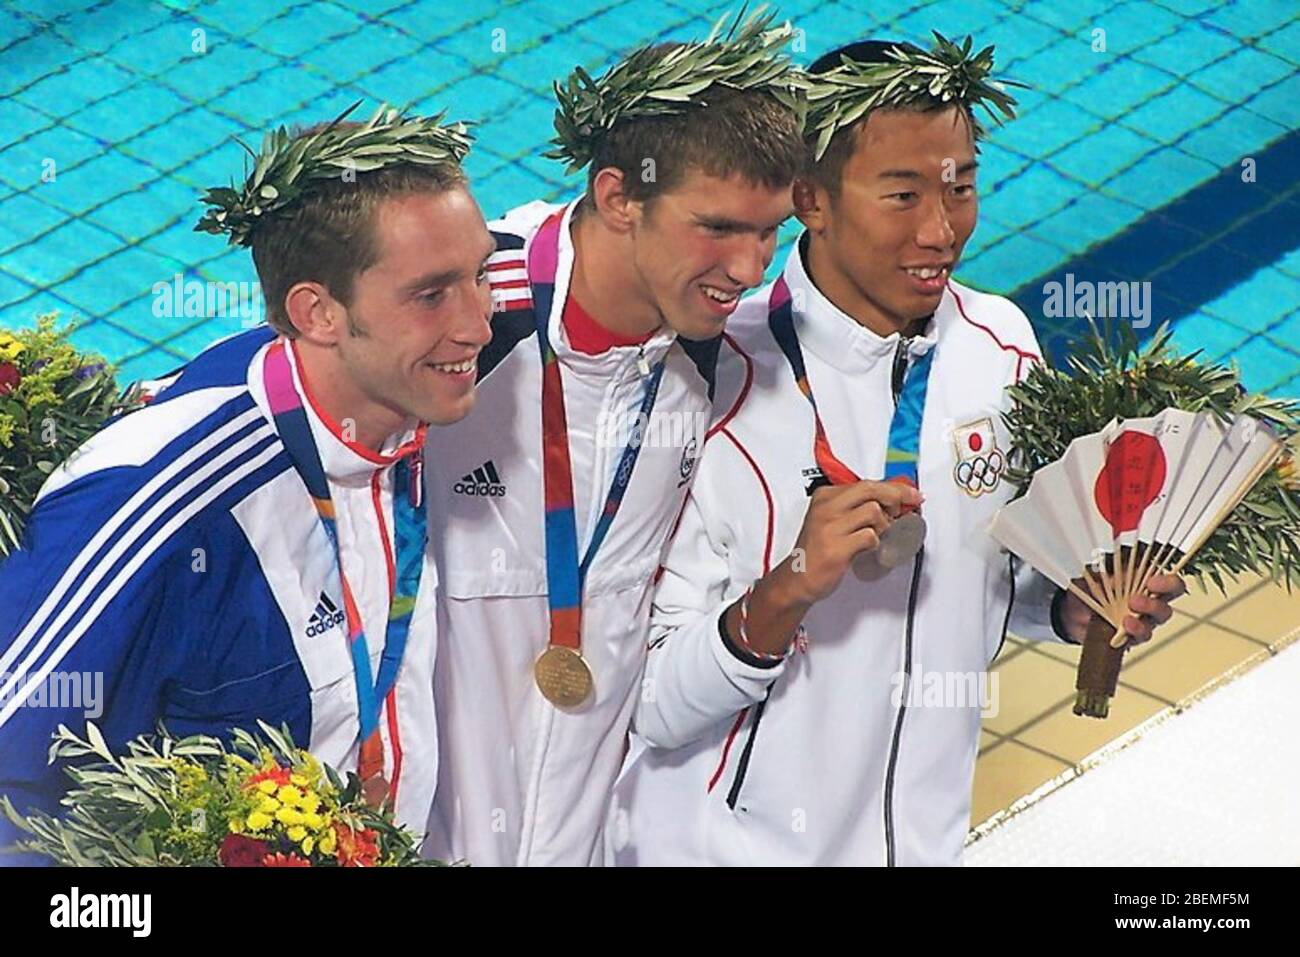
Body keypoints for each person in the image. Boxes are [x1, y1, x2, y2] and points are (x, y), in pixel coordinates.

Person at [610, 36, 1187, 866]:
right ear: (810, 198)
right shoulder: (708, 380)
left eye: (961, 187)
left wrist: (1068, 608)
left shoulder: (1002, 346)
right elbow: (650, 704)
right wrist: (785, 593)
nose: (940, 229)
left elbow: (992, 571)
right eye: (903, 194)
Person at [0, 105, 494, 854]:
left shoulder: (399, 405)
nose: (479, 325)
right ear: (318, 312)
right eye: (432, 295)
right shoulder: (159, 504)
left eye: (481, 275)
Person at [422, 10, 806, 866]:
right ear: (618, 197)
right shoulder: (465, 322)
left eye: (767, 231)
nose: (749, 270)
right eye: (716, 228)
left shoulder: (717, 361)